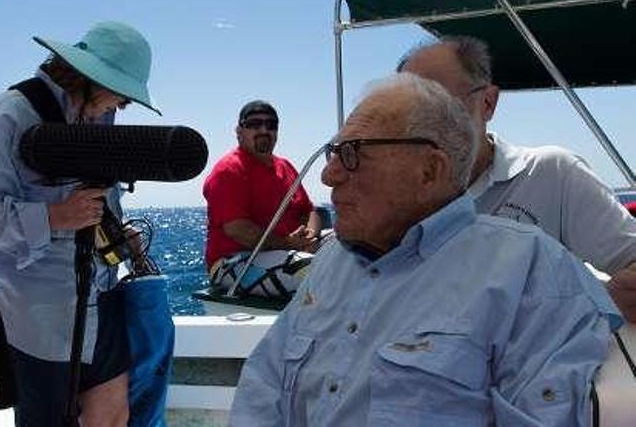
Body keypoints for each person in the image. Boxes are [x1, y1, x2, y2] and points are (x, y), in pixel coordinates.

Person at [230, 73, 620, 426]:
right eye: (334, 154)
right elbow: (263, 387)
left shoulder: (532, 272)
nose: (329, 175)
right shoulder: (332, 260)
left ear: (429, 170)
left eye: (353, 153)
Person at [0, 21, 158, 427]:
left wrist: (120, 235)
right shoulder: (12, 113)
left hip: (100, 300)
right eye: (121, 93)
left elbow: (103, 197)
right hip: (37, 318)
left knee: (114, 415)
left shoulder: (97, 118)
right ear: (89, 78)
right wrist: (53, 217)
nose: (122, 106)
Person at [397, 36, 636, 322]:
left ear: (487, 103)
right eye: (406, 112)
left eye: (440, 106)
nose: (422, 125)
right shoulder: (396, 195)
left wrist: (595, 307)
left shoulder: (550, 173)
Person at [202, 100, 322, 297]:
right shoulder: (228, 171)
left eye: (271, 125)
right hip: (235, 262)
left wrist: (310, 236)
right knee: (317, 271)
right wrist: (291, 244)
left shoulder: (285, 167)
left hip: (289, 250)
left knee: (352, 247)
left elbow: (309, 210)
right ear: (239, 131)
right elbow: (239, 230)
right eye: (255, 124)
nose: (264, 129)